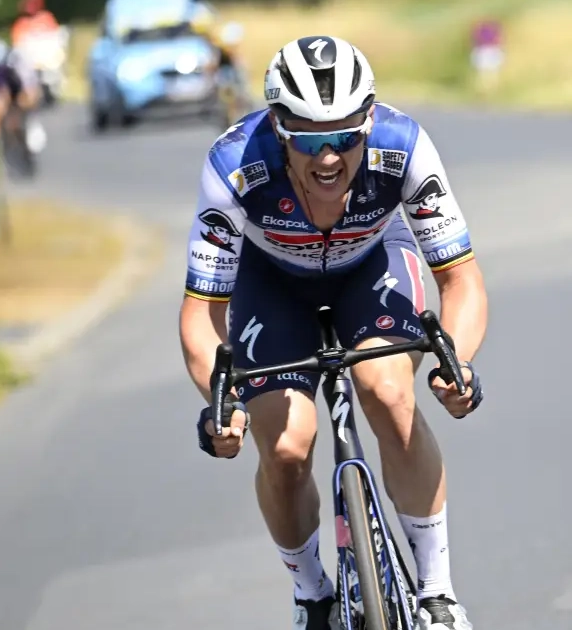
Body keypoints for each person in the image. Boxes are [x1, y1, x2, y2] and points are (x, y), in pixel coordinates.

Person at [178, 35, 485, 630]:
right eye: (309, 140)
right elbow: (201, 313)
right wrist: (221, 403)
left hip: (372, 264)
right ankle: (312, 594)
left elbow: (461, 279)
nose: (328, 158)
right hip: (270, 282)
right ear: (278, 128)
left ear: (368, 123)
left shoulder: (402, 144)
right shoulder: (235, 163)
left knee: (389, 392)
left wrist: (459, 362)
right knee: (286, 447)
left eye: (345, 137)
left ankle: (438, 593)